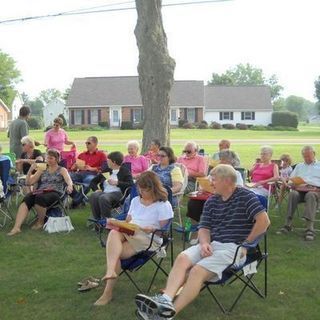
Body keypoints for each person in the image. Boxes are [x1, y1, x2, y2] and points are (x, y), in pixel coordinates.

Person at [135, 164, 270, 319]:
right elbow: (204, 227)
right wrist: (205, 242)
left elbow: (263, 221)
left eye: (213, 180)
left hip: (235, 248)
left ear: (227, 181)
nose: (210, 183)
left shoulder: (246, 196)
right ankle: (165, 300)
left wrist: (247, 243)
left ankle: (167, 315)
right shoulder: (212, 200)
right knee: (182, 258)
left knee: (197, 271)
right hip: (212, 244)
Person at [94, 171, 174, 306]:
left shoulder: (163, 205)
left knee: (115, 250)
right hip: (130, 232)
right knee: (114, 233)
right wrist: (119, 223)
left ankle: (108, 288)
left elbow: (163, 232)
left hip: (149, 238)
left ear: (153, 188)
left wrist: (151, 229)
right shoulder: (136, 200)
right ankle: (109, 277)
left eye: (144, 189)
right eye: (139, 189)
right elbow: (128, 220)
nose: (141, 192)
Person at [7, 149, 73, 236]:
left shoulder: (62, 169)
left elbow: (68, 179)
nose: (48, 160)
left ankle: (40, 222)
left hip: (55, 193)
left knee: (39, 198)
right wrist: (30, 170)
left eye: (51, 158)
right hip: (41, 191)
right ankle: (17, 227)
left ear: (56, 159)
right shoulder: (43, 167)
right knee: (28, 198)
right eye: (47, 158)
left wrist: (69, 185)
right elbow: (28, 183)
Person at [186, 150, 244, 243]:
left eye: (224, 160)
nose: (221, 162)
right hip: (209, 197)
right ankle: (196, 229)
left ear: (231, 162)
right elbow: (204, 183)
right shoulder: (216, 171)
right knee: (193, 203)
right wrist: (203, 187)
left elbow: (239, 188)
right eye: (221, 160)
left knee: (211, 206)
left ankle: (209, 231)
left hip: (224, 199)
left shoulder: (236, 174)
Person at [277, 146, 320, 241]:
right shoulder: (299, 166)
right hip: (300, 190)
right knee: (293, 194)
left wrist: (312, 185)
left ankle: (309, 229)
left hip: (315, 191)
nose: (307, 158)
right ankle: (287, 224)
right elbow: (291, 179)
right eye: (305, 156)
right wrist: (291, 184)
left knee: (310, 195)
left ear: (314, 154)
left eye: (309, 156)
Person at [89, 151, 133, 220]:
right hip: (105, 192)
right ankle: (97, 220)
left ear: (114, 162)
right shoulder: (107, 170)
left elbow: (131, 184)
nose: (107, 162)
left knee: (103, 197)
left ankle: (107, 221)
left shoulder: (125, 171)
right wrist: (96, 189)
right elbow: (93, 181)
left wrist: (117, 183)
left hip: (118, 193)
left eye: (108, 160)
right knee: (94, 195)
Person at [70, 136, 107, 207]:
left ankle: (75, 202)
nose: (86, 144)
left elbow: (105, 168)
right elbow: (73, 168)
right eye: (86, 143)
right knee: (65, 178)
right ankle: (80, 199)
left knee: (89, 180)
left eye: (89, 143)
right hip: (79, 173)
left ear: (95, 144)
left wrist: (92, 168)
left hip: (92, 174)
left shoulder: (101, 155)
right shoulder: (81, 155)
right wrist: (74, 167)